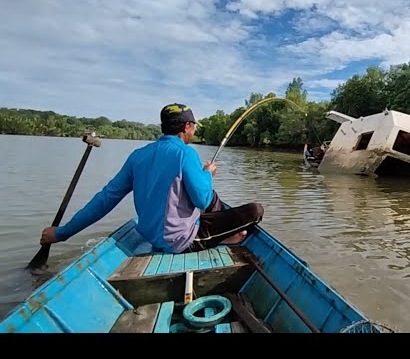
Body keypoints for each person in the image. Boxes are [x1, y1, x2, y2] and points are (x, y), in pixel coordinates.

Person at [40, 103, 264, 253]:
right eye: (193, 126)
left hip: (148, 234)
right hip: (179, 242)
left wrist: (61, 233)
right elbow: (202, 201)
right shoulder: (186, 153)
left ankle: (222, 231)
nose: (194, 131)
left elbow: (105, 200)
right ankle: (222, 237)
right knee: (255, 210)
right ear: (186, 126)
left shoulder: (138, 155)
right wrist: (208, 173)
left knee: (214, 196)